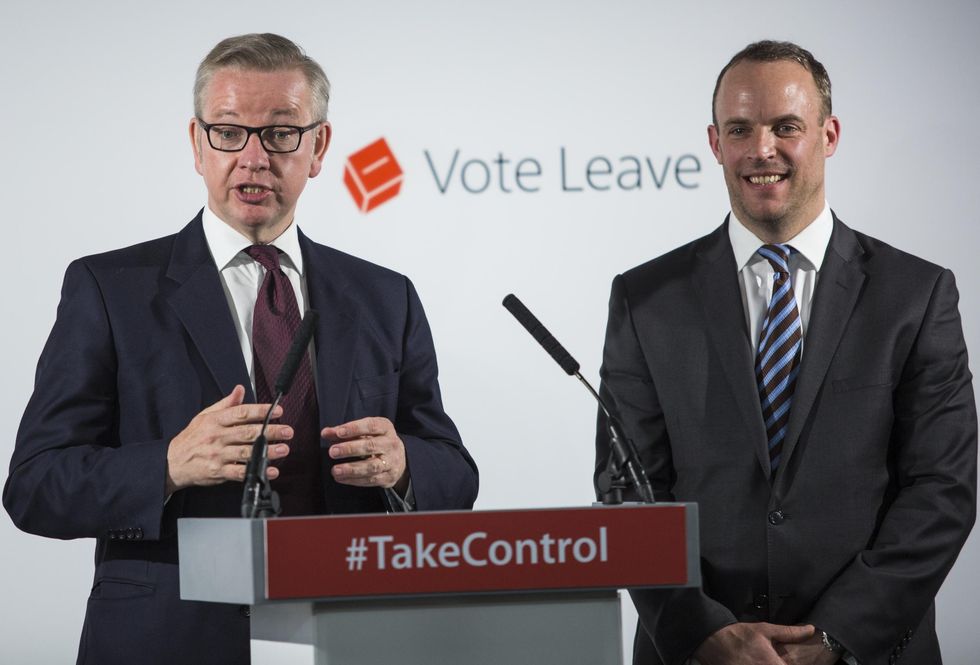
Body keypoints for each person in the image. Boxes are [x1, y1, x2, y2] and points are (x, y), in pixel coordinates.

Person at [3, 33, 478, 665]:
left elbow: (454, 468)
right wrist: (168, 464)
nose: (253, 158)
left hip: (350, 631)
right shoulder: (108, 288)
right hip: (170, 638)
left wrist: (404, 466)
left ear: (319, 147)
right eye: (229, 132)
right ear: (197, 144)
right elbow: (35, 486)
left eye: (280, 134)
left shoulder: (384, 297)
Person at [595, 40, 976, 665]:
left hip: (870, 652)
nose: (761, 149)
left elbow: (943, 489)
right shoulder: (645, 299)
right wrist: (702, 630)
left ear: (828, 135)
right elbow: (626, 491)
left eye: (786, 127)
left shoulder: (917, 294)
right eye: (740, 128)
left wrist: (836, 636)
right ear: (716, 144)